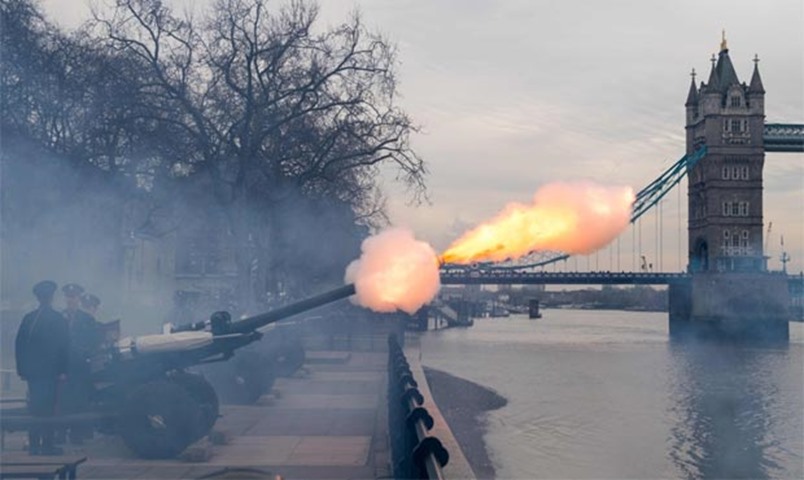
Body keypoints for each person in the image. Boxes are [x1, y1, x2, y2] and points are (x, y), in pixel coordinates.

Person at [15, 280, 70, 455]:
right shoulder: (58, 319)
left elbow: (20, 346)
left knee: (35, 408)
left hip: (34, 374)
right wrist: (63, 371)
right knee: (48, 410)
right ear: (51, 297)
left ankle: (34, 445)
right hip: (50, 373)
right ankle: (47, 445)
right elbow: (64, 347)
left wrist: (22, 370)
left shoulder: (29, 318)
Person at [61, 283, 101, 444]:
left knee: (79, 400)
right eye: (68, 297)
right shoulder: (59, 317)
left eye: (74, 297)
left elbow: (94, 342)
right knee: (62, 400)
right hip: (62, 366)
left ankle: (77, 434)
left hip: (80, 367)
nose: (71, 300)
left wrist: (84, 353)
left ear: (78, 298)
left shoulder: (87, 319)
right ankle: (60, 432)